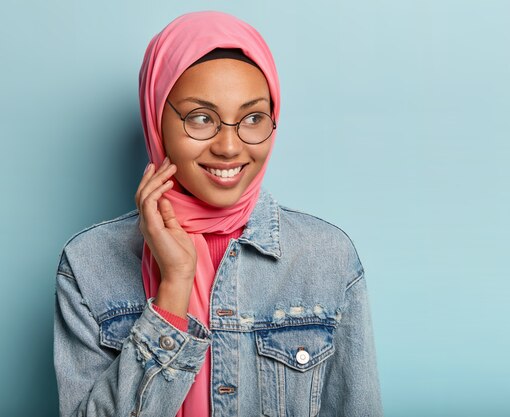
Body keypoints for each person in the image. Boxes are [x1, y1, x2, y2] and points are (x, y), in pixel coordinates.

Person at [54, 11, 382, 417]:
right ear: (157, 119)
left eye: (253, 118)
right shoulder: (89, 263)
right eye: (202, 118)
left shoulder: (326, 257)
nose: (229, 146)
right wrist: (173, 290)